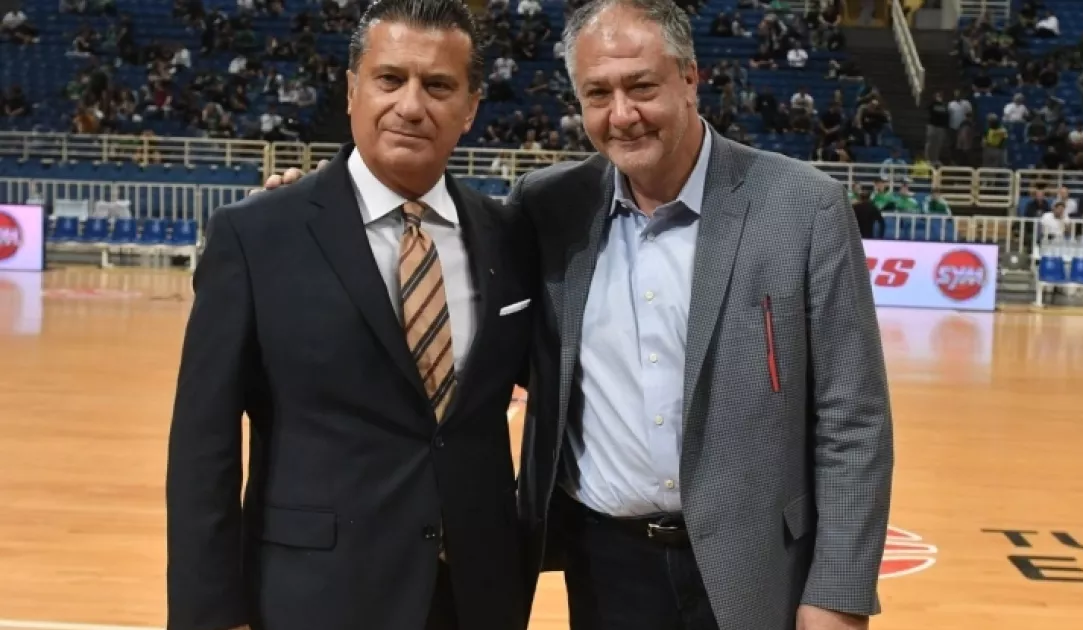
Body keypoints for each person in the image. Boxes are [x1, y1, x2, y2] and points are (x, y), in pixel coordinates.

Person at [264, 1, 894, 628]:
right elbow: (440, 299)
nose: (622, 114)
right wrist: (324, 219)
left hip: (756, 563)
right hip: (605, 566)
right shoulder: (547, 208)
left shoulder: (803, 208)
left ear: (689, 78)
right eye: (598, 93)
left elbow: (854, 418)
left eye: (641, 87)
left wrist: (837, 592)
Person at [164, 1, 537, 629]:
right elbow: (204, 447)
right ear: (351, 89)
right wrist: (212, 614)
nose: (411, 106)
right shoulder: (257, 236)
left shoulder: (510, 236)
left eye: (438, 86)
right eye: (390, 79)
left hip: (477, 594)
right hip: (316, 595)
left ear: (471, 106)